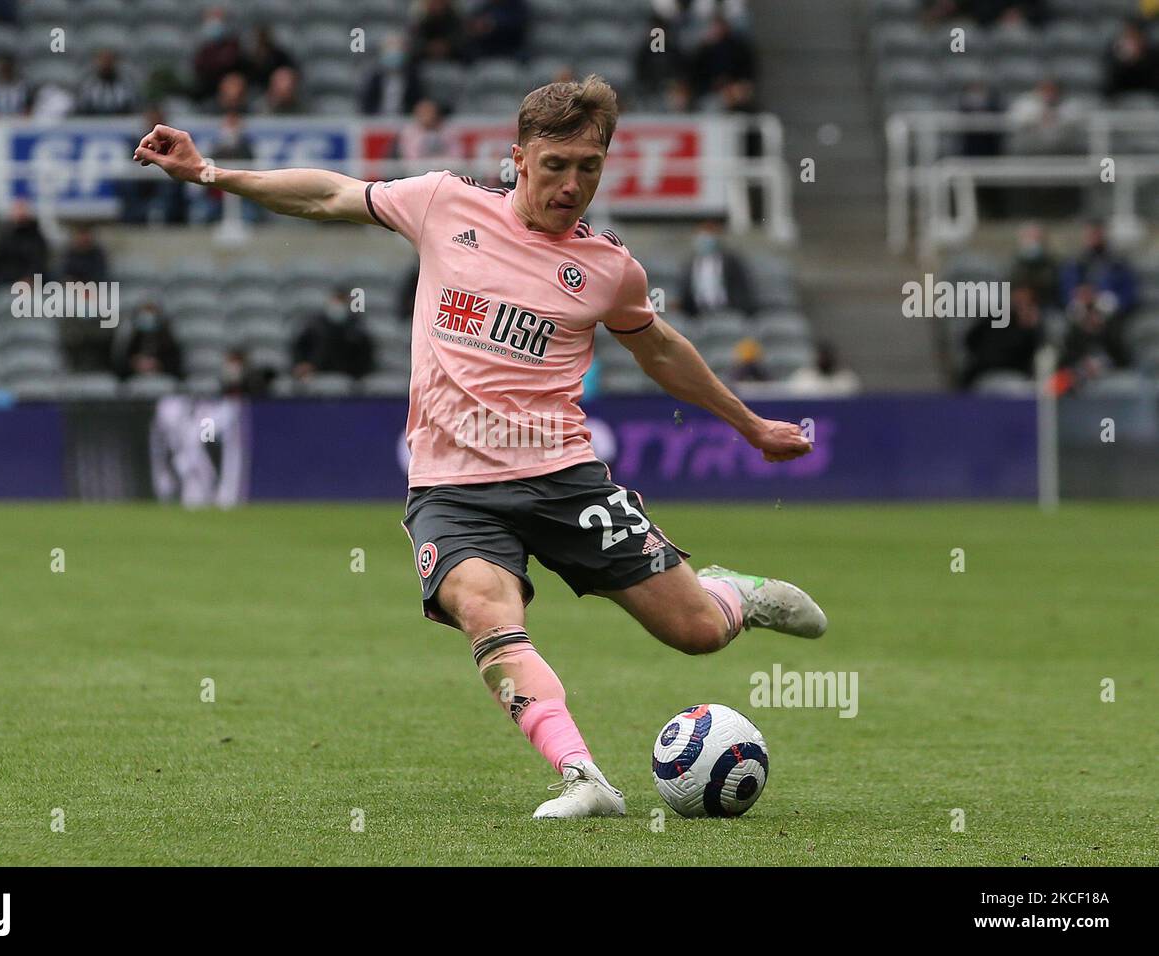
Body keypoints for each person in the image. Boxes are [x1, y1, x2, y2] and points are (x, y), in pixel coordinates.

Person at [134, 74, 827, 820]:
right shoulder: (443, 203)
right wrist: (210, 172)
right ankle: (582, 777)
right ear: (519, 158)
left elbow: (658, 351)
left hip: (563, 476)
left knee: (694, 632)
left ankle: (735, 593)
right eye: (555, 165)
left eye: (587, 168)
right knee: (484, 612)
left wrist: (749, 423)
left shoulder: (609, 269)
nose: (571, 185)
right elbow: (329, 195)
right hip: (451, 488)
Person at [960, 284, 1045, 388]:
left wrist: (1031, 327)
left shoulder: (1031, 326)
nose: (1019, 301)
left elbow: (1037, 350)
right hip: (983, 375)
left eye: (1024, 298)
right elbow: (970, 339)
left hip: (1015, 376)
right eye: (1018, 296)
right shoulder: (994, 317)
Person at [291, 287, 377, 380]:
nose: (339, 304)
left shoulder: (356, 326)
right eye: (337, 300)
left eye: (343, 300)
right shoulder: (314, 324)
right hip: (316, 373)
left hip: (348, 376)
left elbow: (365, 354)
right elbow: (299, 347)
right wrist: (303, 364)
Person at [679, 218, 758, 317]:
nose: (704, 240)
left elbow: (743, 289)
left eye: (709, 235)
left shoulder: (731, 261)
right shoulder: (690, 264)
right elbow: (686, 293)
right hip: (697, 313)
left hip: (728, 311)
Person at [0, 199, 48, 292]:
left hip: (27, 283)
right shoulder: (4, 235)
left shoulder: (36, 237)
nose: (19, 215)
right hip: (3, 281)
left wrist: (29, 279)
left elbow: (39, 263)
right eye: (17, 211)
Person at [76, 50, 137, 116]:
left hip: (120, 119)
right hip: (93, 119)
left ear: (115, 62)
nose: (106, 64)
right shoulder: (89, 82)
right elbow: (83, 104)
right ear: (97, 62)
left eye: (109, 60)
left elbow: (130, 103)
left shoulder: (125, 82)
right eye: (103, 60)